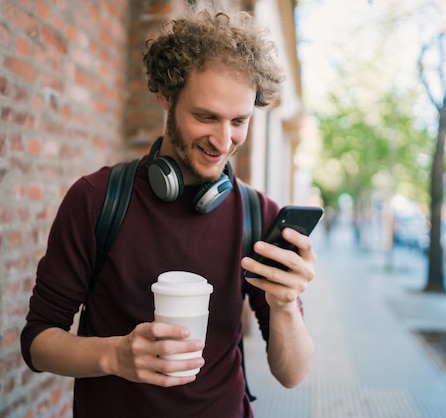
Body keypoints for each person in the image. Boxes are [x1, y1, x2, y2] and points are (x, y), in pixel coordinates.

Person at [20, 9, 316, 418]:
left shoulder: (258, 216)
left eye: (239, 121)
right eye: (205, 116)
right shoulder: (95, 200)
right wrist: (115, 356)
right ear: (165, 93)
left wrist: (285, 305)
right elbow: (37, 342)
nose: (223, 140)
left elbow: (292, 374)